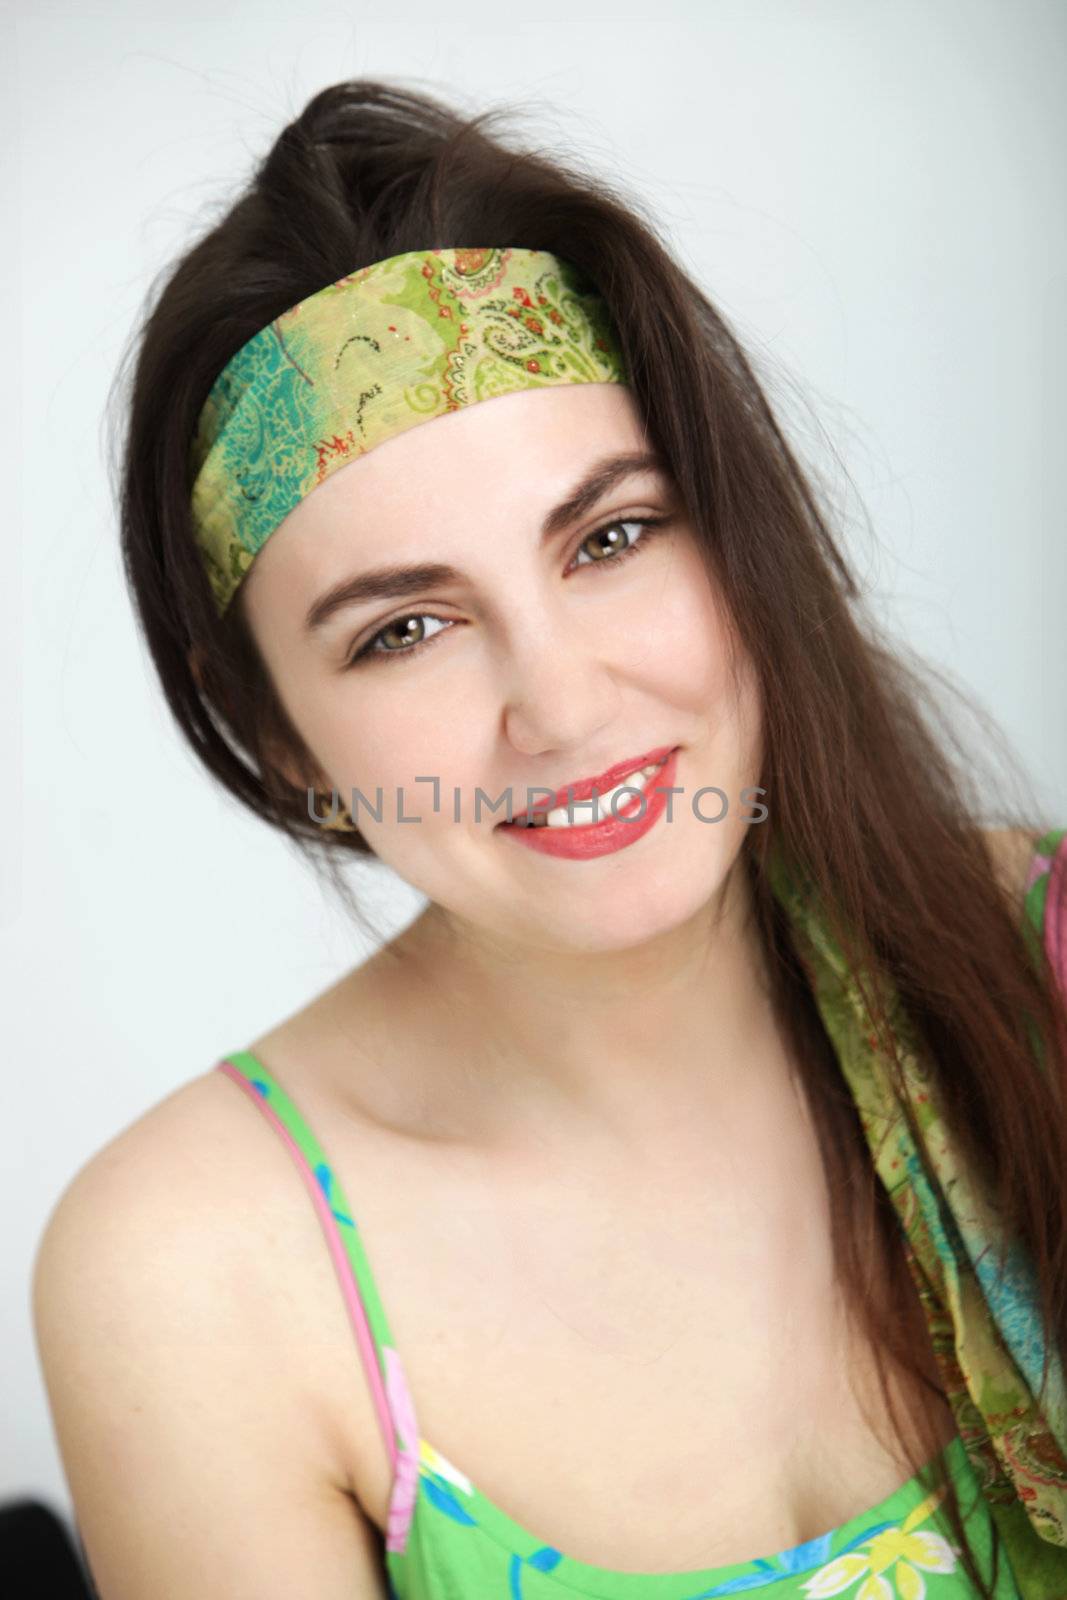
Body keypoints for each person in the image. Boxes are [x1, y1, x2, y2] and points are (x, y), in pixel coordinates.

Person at [31, 79, 1067, 1600]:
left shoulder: (1036, 958)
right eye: (407, 628)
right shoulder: (198, 1272)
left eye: (612, 537)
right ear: (275, 733)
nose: (563, 706)